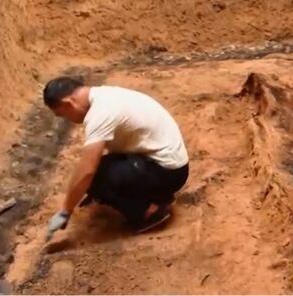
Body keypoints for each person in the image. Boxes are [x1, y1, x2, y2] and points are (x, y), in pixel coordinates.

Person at [42, 76, 189, 239]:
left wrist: (65, 210)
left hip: (169, 172)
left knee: (96, 178)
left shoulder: (100, 114)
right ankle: (155, 194)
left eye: (62, 114)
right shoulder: (104, 95)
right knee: (98, 176)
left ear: (68, 103)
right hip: (167, 161)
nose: (67, 119)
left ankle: (150, 212)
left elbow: (87, 171)